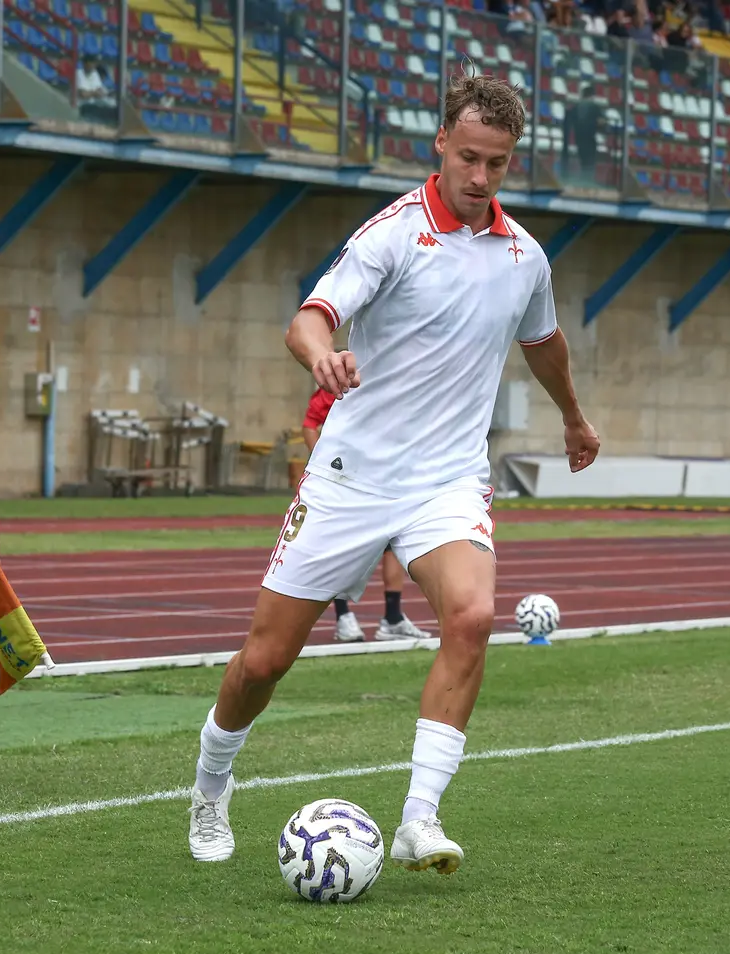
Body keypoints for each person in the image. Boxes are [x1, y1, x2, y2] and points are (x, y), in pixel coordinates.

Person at [187, 72, 600, 872]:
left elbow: (542, 341)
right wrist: (322, 359)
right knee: (265, 660)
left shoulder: (524, 257)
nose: (481, 179)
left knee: (473, 617)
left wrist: (573, 416)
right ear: (441, 142)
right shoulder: (392, 234)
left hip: (446, 481)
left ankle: (419, 818)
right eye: (470, 158)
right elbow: (310, 318)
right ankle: (211, 783)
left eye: (499, 165)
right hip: (351, 476)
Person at [301, 385, 433, 644]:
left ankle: (393, 618)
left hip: (384, 477)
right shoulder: (338, 384)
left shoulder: (390, 385)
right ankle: (343, 618)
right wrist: (326, 462)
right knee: (343, 548)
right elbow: (309, 425)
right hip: (347, 482)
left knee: (392, 545)